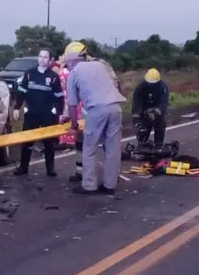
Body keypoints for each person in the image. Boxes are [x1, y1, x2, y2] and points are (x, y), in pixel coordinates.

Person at [63, 43, 126, 195]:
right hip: (116, 108)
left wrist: (73, 125)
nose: (67, 67)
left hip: (97, 110)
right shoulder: (100, 65)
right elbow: (115, 84)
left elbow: (72, 104)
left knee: (89, 148)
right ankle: (110, 186)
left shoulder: (74, 73)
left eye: (67, 64)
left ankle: (89, 185)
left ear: (71, 61)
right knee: (112, 149)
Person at [13, 49, 64, 177]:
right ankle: (23, 168)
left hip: (48, 114)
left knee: (49, 143)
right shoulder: (29, 74)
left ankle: (50, 169)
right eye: (40, 56)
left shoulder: (53, 77)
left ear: (50, 60)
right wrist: (16, 108)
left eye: (45, 57)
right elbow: (22, 92)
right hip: (31, 113)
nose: (42, 59)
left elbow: (59, 96)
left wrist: (60, 112)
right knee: (27, 142)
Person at [131, 68, 169, 145]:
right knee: (143, 128)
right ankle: (142, 143)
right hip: (144, 110)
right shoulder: (140, 88)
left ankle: (158, 145)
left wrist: (155, 112)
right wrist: (136, 119)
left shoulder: (163, 87)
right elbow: (136, 103)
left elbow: (163, 102)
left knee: (160, 125)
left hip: (157, 109)